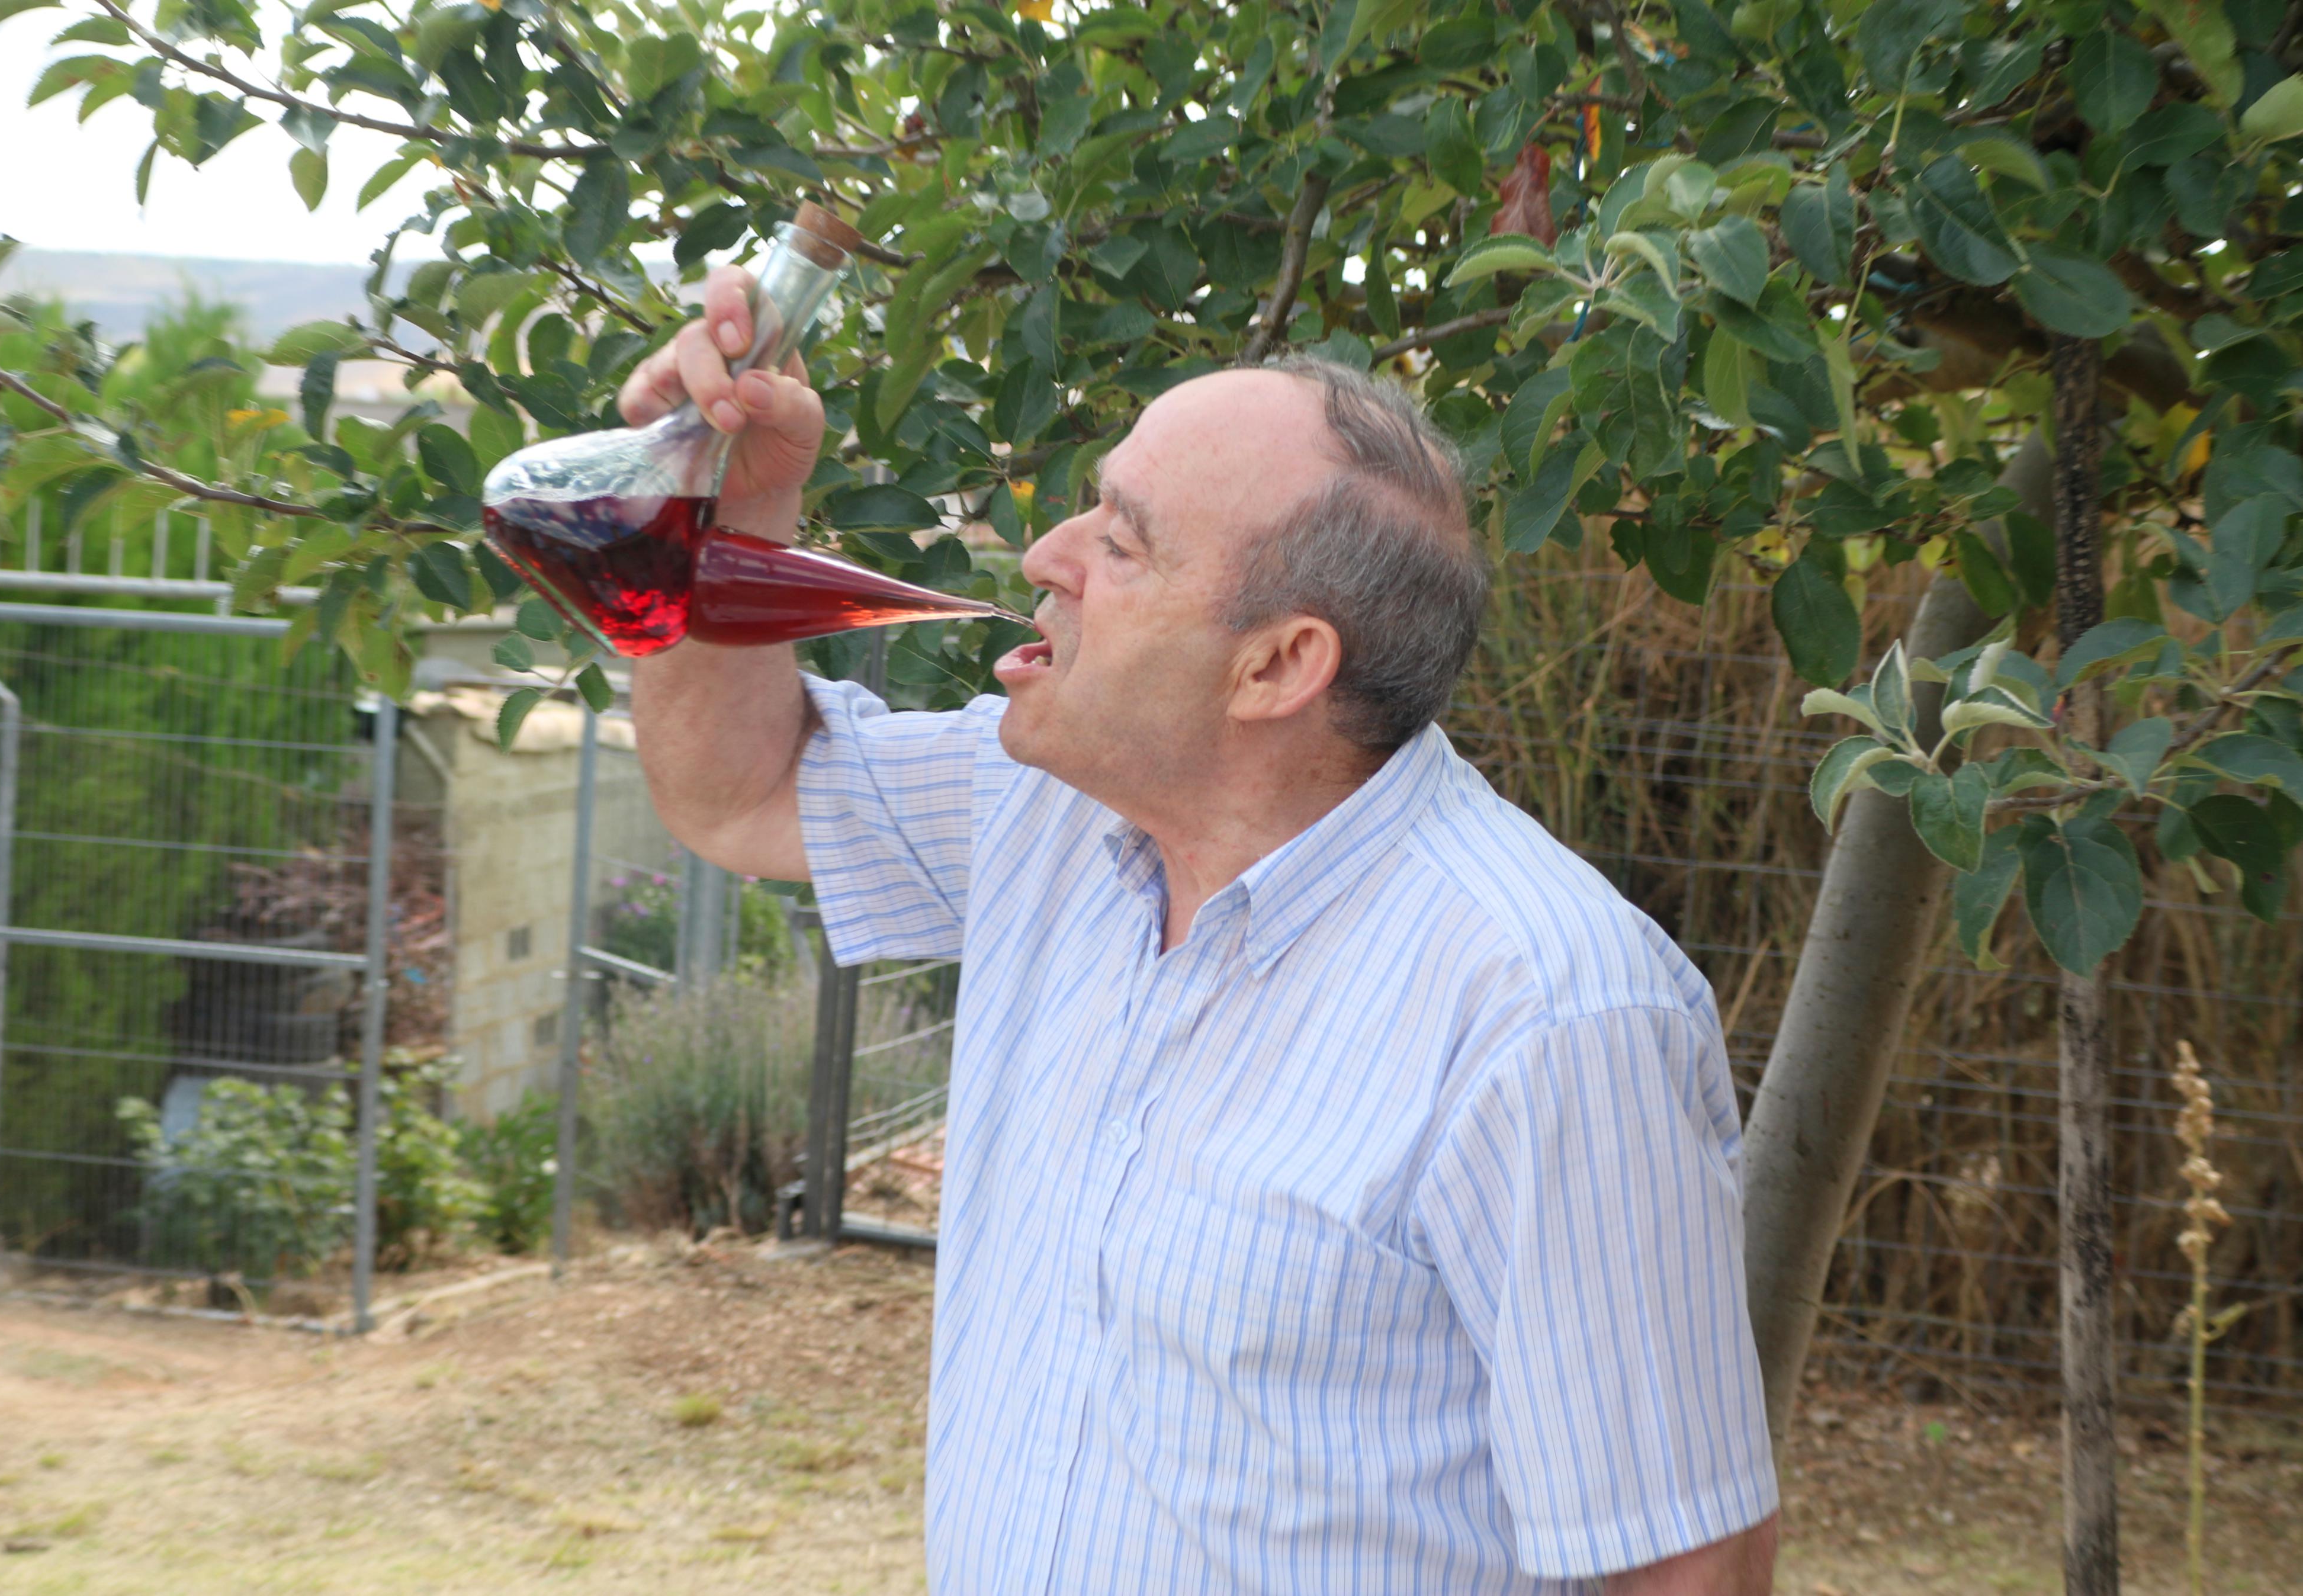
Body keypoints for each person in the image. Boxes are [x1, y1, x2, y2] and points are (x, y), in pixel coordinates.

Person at [624, 264, 1781, 1596]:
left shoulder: (1551, 1013)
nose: (1044, 557)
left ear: (1280, 665)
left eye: (1122, 542)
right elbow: (737, 784)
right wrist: (720, 510)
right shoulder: (1047, 814)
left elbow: (1687, 1568)